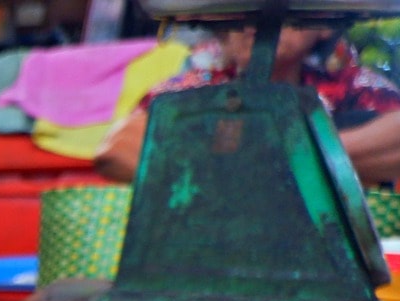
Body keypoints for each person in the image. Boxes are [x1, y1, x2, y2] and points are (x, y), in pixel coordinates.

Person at [97, 27, 400, 185]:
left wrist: (260, 155)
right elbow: (117, 148)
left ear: (322, 23)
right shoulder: (196, 86)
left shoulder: (351, 85)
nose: (257, 19)